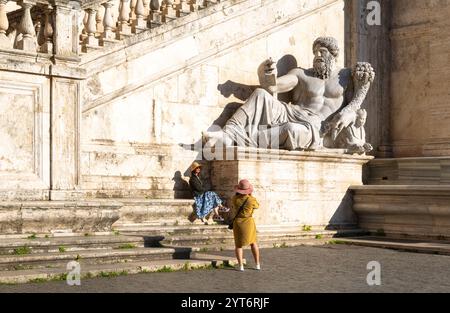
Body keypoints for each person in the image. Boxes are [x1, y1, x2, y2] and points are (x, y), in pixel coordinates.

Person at [203, 36, 375, 151]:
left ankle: (239, 139)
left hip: (317, 125)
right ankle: (228, 134)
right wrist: (267, 73)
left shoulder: (345, 76)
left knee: (291, 130)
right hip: (292, 112)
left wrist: (348, 112)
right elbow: (273, 88)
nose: (317, 55)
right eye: (315, 52)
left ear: (332, 54)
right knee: (261, 94)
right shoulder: (301, 74)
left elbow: (357, 102)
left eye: (322, 52)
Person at [230, 179, 260, 271]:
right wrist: (250, 195)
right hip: (249, 222)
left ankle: (241, 266)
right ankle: (257, 264)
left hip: (238, 222)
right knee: (253, 243)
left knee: (238, 245)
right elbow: (257, 206)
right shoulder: (251, 200)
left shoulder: (235, 199)